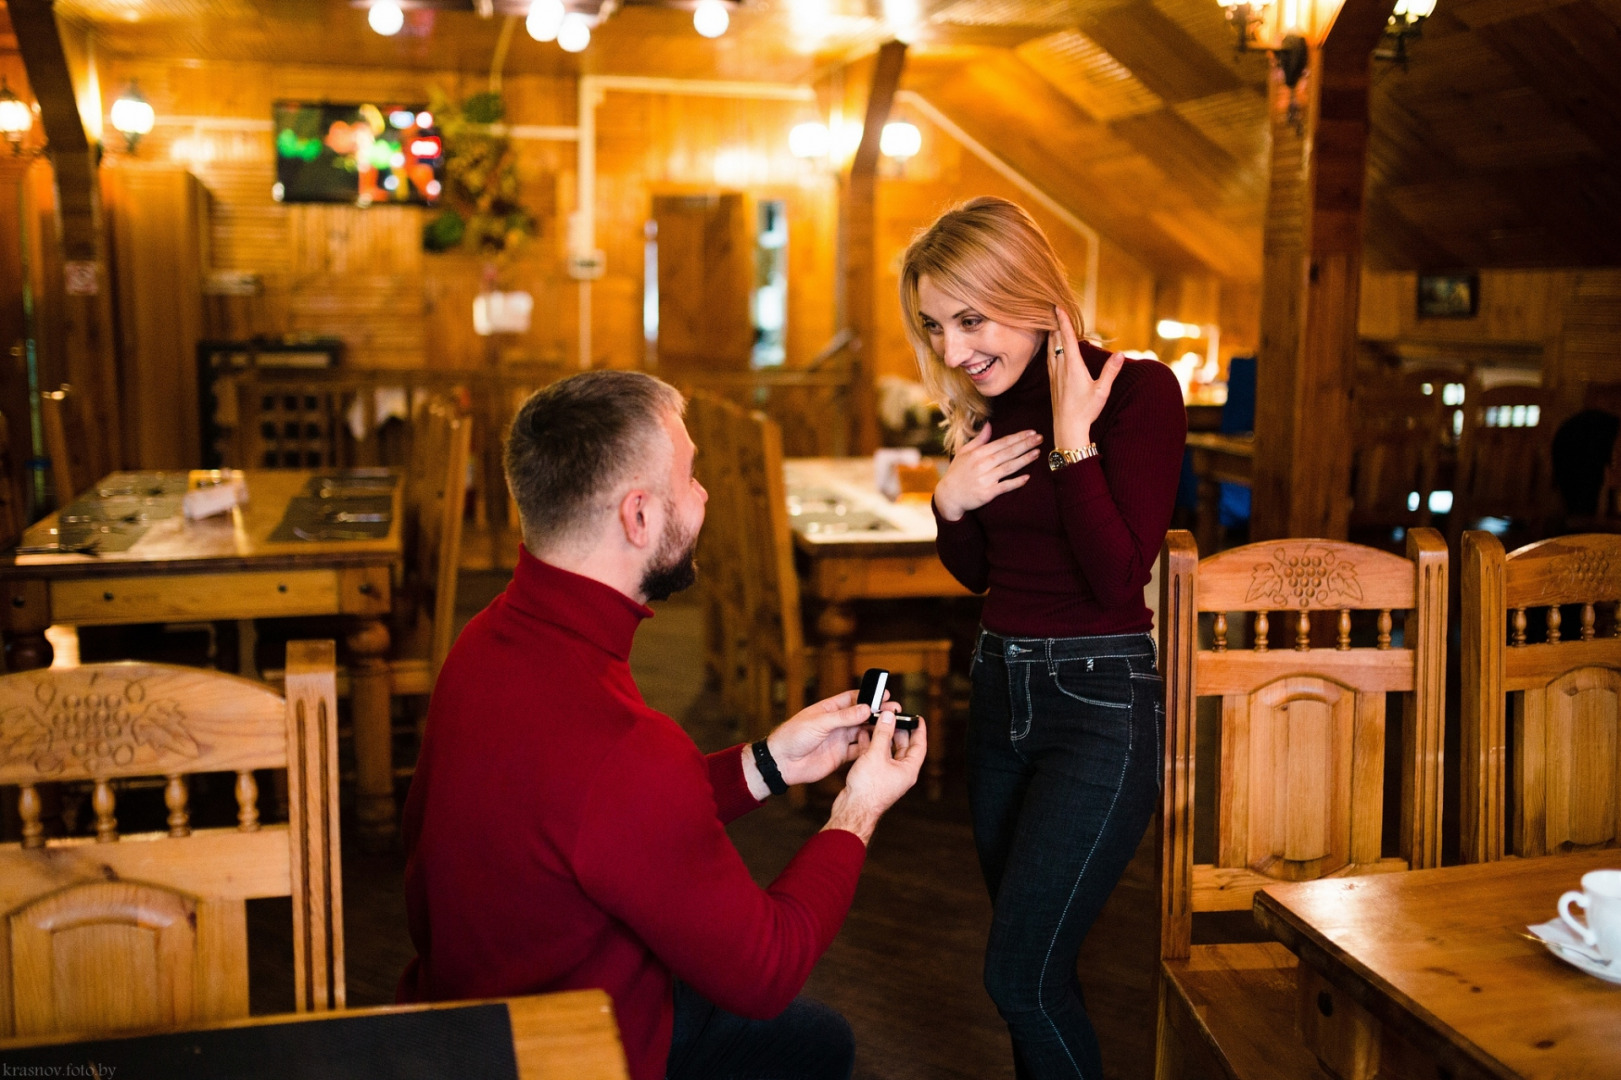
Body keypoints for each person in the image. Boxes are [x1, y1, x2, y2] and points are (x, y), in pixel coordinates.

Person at [398, 370, 927, 1080]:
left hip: (473, 1025)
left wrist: (769, 763)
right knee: (814, 1039)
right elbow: (766, 970)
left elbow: (598, 821)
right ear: (637, 516)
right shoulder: (622, 746)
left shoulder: (484, 639)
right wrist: (858, 807)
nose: (704, 495)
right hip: (574, 1050)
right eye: (691, 476)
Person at [899, 197, 1186, 1079]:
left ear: (1028, 292)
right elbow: (982, 573)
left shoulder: (1136, 393)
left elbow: (1114, 576)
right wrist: (950, 503)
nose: (952, 350)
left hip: (1097, 705)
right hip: (998, 692)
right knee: (1038, 969)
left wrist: (1072, 442)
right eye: (934, 326)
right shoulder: (983, 409)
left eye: (970, 318)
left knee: (1018, 977)